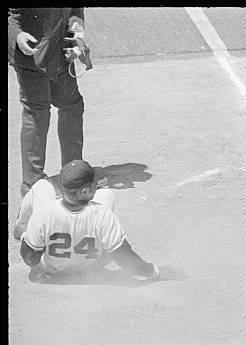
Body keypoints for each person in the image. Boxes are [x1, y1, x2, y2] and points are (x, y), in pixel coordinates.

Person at [15, 160, 159, 282]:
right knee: (106, 194)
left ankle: (20, 226)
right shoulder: (102, 214)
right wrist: (153, 272)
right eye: (94, 183)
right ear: (85, 192)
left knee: (42, 186)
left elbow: (30, 259)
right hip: (87, 269)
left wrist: (25, 237)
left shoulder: (43, 215)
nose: (97, 184)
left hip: (51, 269)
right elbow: (123, 256)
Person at [8, 8, 92, 198]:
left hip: (61, 55)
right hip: (31, 55)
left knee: (72, 106)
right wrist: (17, 35)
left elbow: (75, 12)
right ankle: (32, 185)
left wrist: (76, 32)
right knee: (36, 111)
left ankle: (73, 174)